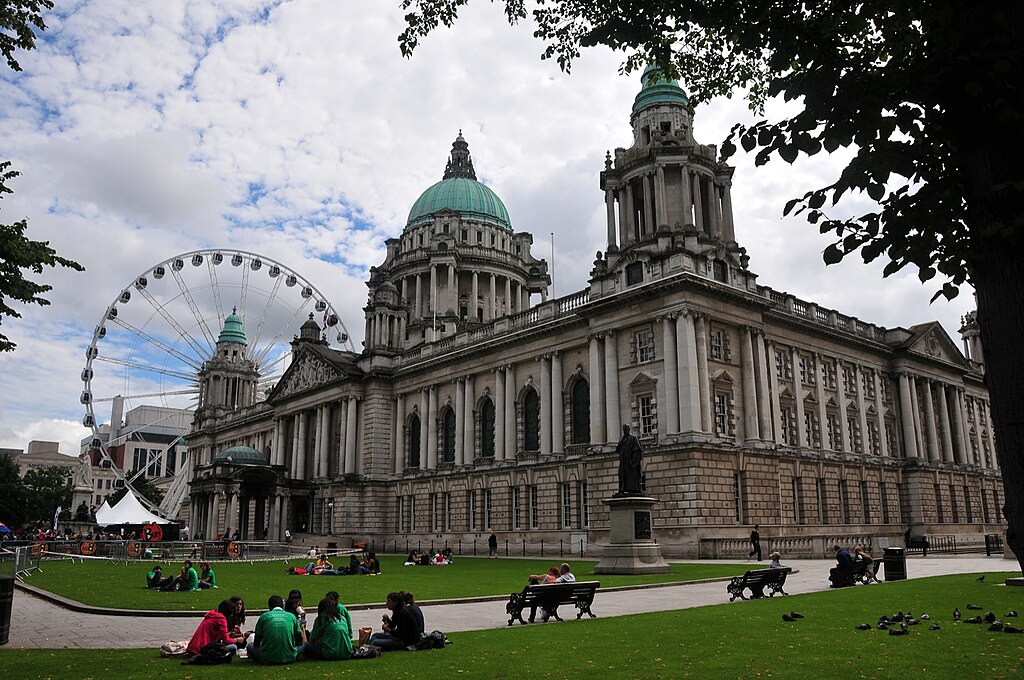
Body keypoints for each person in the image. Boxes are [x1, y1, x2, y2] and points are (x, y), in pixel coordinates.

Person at [247, 594, 304, 664]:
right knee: (304, 645)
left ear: (269, 607)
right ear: (282, 606)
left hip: (267, 657)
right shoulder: (291, 616)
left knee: (250, 646)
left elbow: (257, 641)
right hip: (289, 656)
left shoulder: (264, 617)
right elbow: (299, 640)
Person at [615, 424, 643, 495]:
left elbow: (637, 450)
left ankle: (633, 489)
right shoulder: (623, 439)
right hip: (624, 462)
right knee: (622, 476)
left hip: (630, 463)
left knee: (632, 477)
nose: (625, 431)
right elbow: (618, 450)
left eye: (626, 429)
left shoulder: (633, 438)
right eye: (624, 429)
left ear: (628, 429)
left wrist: (633, 462)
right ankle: (623, 488)